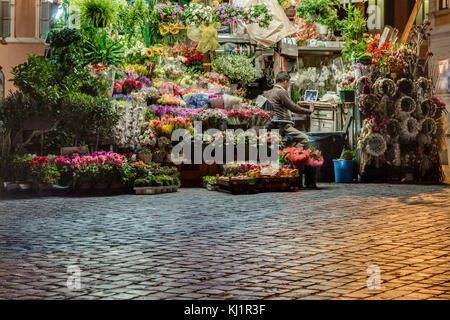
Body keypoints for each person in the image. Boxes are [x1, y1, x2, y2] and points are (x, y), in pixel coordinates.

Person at [263, 72, 314, 148]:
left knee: (292, 139)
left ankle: (288, 153)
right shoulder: (281, 92)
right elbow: (293, 107)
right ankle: (292, 156)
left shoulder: (267, 92)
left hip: (272, 125)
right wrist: (309, 111)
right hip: (282, 126)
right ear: (285, 81)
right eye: (288, 83)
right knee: (305, 139)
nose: (288, 86)